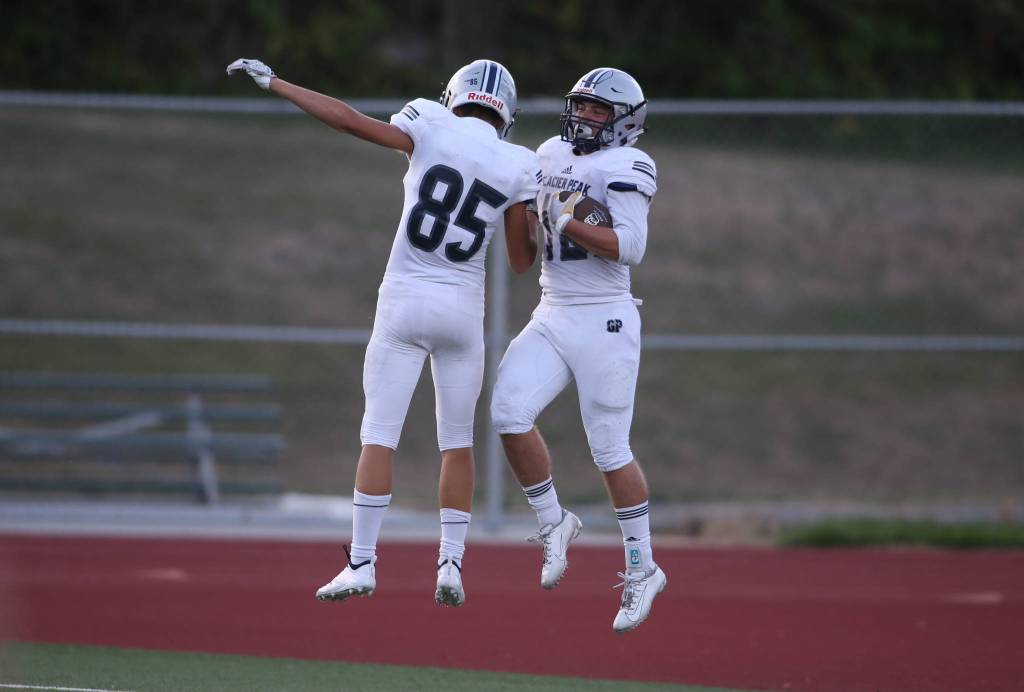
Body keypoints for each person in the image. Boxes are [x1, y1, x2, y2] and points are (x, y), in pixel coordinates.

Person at [228, 57, 540, 608]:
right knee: (456, 443)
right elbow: (520, 260)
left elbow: (352, 122)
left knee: (380, 435)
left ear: (455, 95)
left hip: (404, 300)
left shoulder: (429, 120)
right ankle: (450, 564)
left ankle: (363, 562)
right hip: (463, 312)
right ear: (507, 114)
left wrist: (278, 82)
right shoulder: (520, 162)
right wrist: (542, 213)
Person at [490, 67, 666, 633]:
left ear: (624, 121)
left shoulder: (629, 165)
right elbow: (521, 260)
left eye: (597, 111)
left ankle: (643, 568)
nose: (584, 118)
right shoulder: (546, 152)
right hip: (552, 310)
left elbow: (631, 247)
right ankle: (554, 521)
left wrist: (566, 217)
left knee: (610, 450)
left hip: (605, 318)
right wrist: (518, 203)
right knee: (507, 411)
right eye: (581, 107)